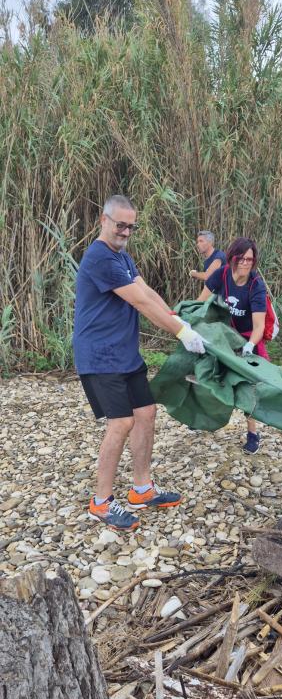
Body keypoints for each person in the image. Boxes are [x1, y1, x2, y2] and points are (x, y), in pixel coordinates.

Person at [73, 195, 206, 531]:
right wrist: (180, 333)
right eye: (120, 225)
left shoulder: (122, 257)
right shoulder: (100, 257)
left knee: (146, 413)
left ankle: (142, 489)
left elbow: (146, 292)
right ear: (103, 221)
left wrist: (176, 317)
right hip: (100, 356)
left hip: (125, 354)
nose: (126, 231)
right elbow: (138, 303)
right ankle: (101, 502)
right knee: (121, 423)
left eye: (131, 227)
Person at [197, 236, 267, 454]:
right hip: (223, 335)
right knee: (205, 372)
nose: (246, 263)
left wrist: (249, 346)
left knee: (248, 387)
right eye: (241, 258)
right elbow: (200, 303)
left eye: (250, 259)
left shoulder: (256, 285)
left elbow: (259, 326)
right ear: (233, 258)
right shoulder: (223, 274)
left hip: (247, 338)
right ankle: (200, 415)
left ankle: (253, 432)